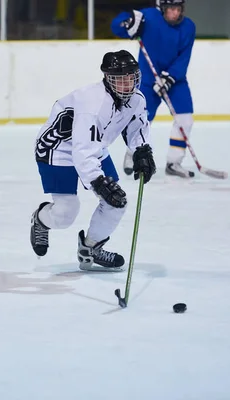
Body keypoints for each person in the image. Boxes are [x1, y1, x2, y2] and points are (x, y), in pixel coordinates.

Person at [29, 50, 156, 272]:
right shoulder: (93, 104)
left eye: (131, 77)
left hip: (92, 146)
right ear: (108, 79)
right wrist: (97, 181)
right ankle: (41, 219)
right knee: (66, 213)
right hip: (57, 149)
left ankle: (91, 248)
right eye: (121, 79)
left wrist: (142, 151)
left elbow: (138, 128)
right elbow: (81, 150)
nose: (128, 84)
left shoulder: (137, 99)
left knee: (116, 201)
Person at [111, 0, 196, 178]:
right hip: (148, 80)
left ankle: (174, 162)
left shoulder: (188, 27)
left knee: (185, 119)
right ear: (161, 9)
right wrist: (127, 24)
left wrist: (170, 77)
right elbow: (116, 26)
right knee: (142, 120)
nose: (175, 13)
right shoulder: (148, 17)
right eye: (171, 9)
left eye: (178, 9)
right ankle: (132, 153)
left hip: (175, 80)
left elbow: (184, 58)